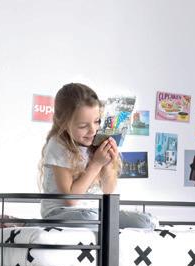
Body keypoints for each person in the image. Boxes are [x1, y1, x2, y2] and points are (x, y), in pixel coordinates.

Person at [38, 83, 155, 228]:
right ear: (64, 124)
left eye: (97, 121)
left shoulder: (96, 140)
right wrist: (96, 164)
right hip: (61, 213)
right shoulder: (58, 145)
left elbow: (108, 190)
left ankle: (101, 222)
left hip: (95, 212)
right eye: (83, 126)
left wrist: (109, 162)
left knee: (145, 221)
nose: (93, 130)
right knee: (90, 217)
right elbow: (70, 200)